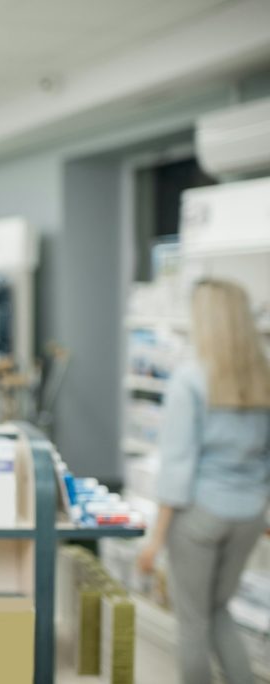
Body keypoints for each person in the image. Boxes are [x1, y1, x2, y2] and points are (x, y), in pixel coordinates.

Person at [137, 279, 270, 684]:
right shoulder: (262, 377)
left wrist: (155, 539)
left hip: (200, 516)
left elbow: (177, 468)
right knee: (218, 608)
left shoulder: (191, 380)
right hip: (248, 516)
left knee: (192, 621)